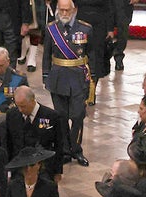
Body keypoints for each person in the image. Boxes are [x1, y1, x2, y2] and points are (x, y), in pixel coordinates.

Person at [42, 0, 93, 166]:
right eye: (61, 10)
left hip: (78, 78)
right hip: (58, 78)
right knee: (61, 117)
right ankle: (64, 150)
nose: (64, 13)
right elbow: (46, 55)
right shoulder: (51, 29)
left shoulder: (86, 29)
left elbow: (91, 53)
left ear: (74, 10)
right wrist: (45, 76)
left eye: (67, 10)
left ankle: (76, 149)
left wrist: (92, 76)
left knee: (78, 116)